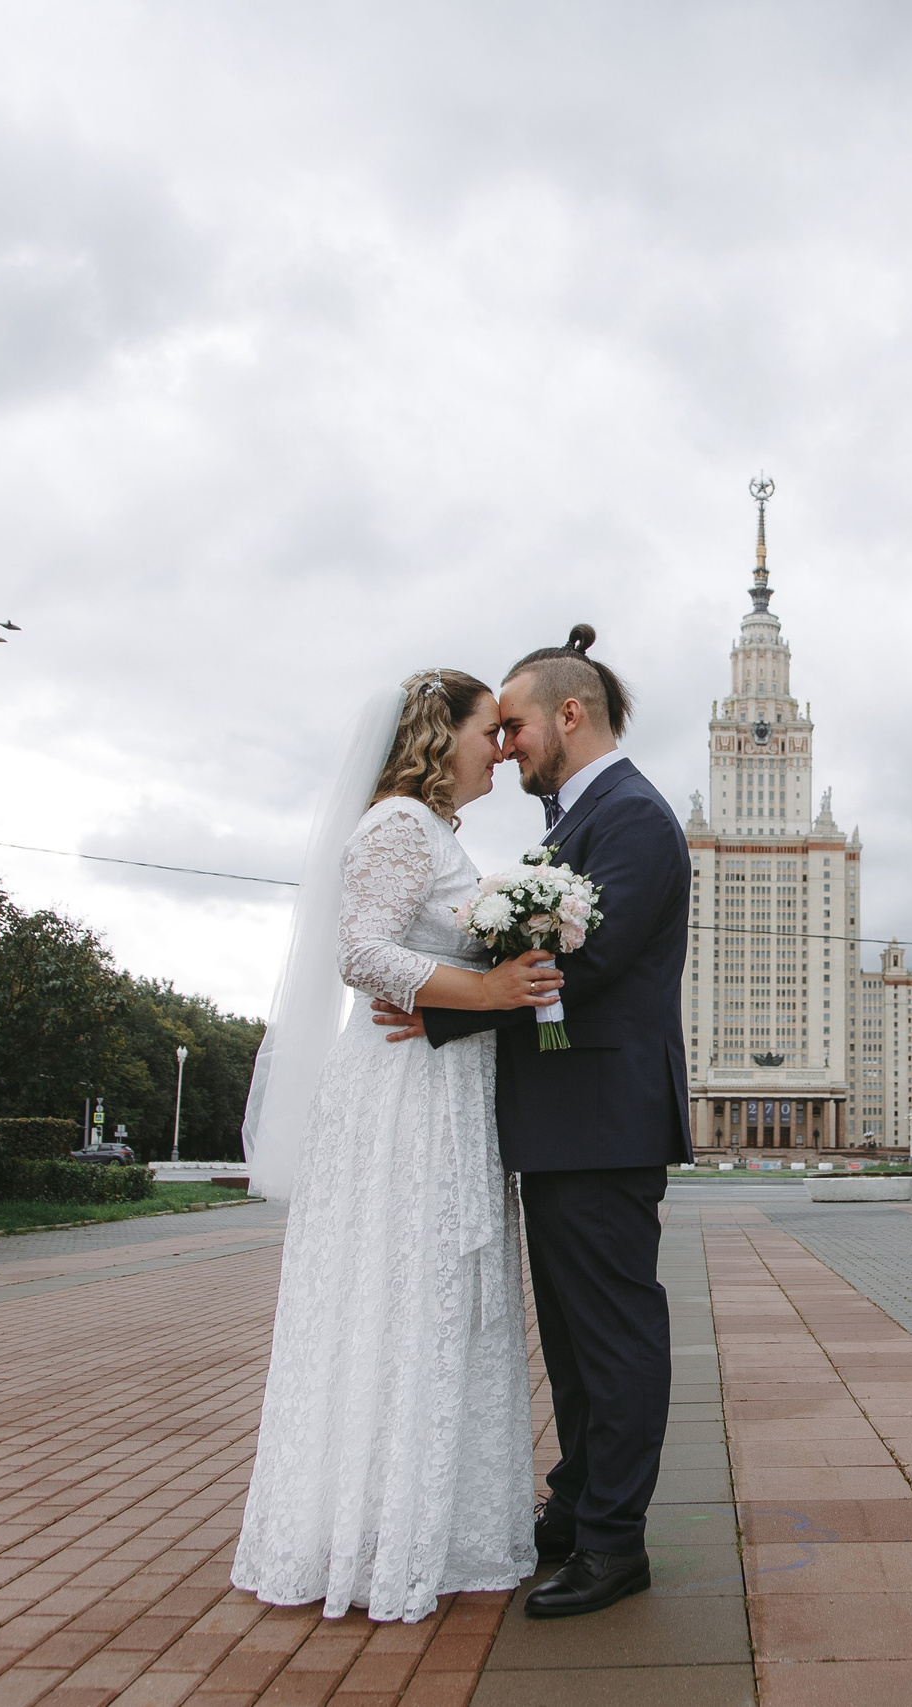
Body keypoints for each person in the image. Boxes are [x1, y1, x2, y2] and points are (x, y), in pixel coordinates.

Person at [230, 669, 564, 1624]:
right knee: (403, 1290)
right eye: (488, 730)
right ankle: (375, 1533)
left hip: (446, 1090)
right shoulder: (398, 826)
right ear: (440, 733)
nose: (502, 747)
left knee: (442, 1297)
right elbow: (362, 951)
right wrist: (490, 994)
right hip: (402, 1097)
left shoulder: (437, 832)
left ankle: (438, 1525)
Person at [373, 624, 692, 1620]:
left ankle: (613, 1544)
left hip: (602, 1119)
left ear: (569, 713)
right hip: (563, 1121)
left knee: (612, 1335)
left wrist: (439, 1006)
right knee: (571, 1340)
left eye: (512, 725)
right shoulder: (571, 826)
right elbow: (541, 961)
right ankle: (576, 1506)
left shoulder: (632, 818)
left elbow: (576, 969)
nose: (501, 745)